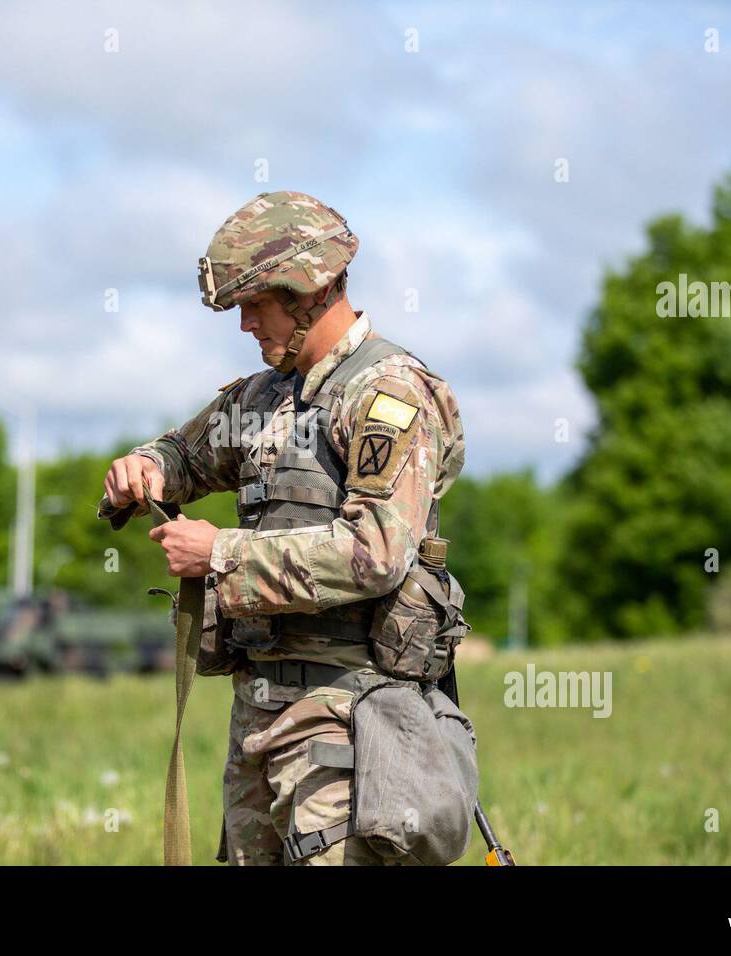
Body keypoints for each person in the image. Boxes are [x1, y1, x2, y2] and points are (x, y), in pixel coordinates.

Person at [100, 191, 466, 865]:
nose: (245, 324)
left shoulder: (387, 395)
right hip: (259, 716)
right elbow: (186, 455)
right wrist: (143, 470)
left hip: (348, 718)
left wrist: (221, 554)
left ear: (312, 289)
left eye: (256, 303)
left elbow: (377, 552)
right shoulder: (266, 395)